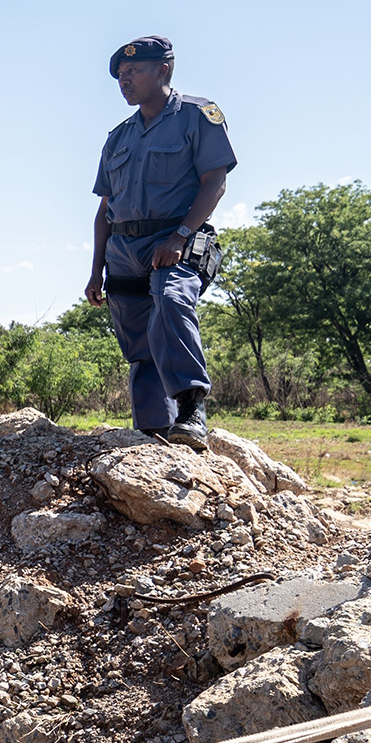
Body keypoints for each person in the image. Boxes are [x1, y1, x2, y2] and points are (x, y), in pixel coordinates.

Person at [83, 35, 233, 450]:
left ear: (163, 69)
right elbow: (105, 210)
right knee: (139, 343)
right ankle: (152, 432)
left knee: (170, 301)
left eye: (133, 72)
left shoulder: (197, 115)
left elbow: (215, 182)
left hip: (177, 238)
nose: (124, 81)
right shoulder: (118, 137)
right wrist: (96, 270)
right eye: (120, 76)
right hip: (123, 251)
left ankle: (190, 408)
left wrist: (181, 236)